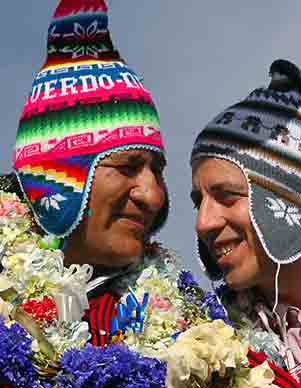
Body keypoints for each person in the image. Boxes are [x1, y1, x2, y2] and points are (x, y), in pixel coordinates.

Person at [7, 0, 169, 346]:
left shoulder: (182, 329)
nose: (153, 196)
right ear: (54, 182)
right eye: (127, 167)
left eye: (157, 171)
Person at [190, 59, 301, 387]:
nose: (202, 223)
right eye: (199, 201)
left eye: (227, 196)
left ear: (293, 200)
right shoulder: (210, 347)